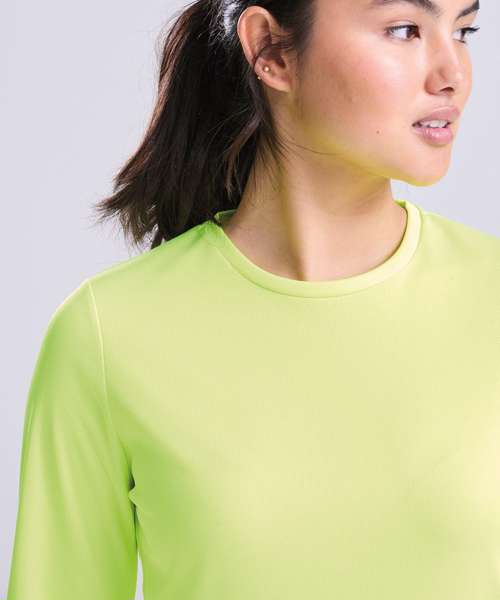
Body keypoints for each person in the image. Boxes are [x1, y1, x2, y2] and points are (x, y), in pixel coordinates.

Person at [6, 0, 497, 599]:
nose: (453, 74)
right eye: (404, 30)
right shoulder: (109, 333)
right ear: (272, 49)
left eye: (465, 30)